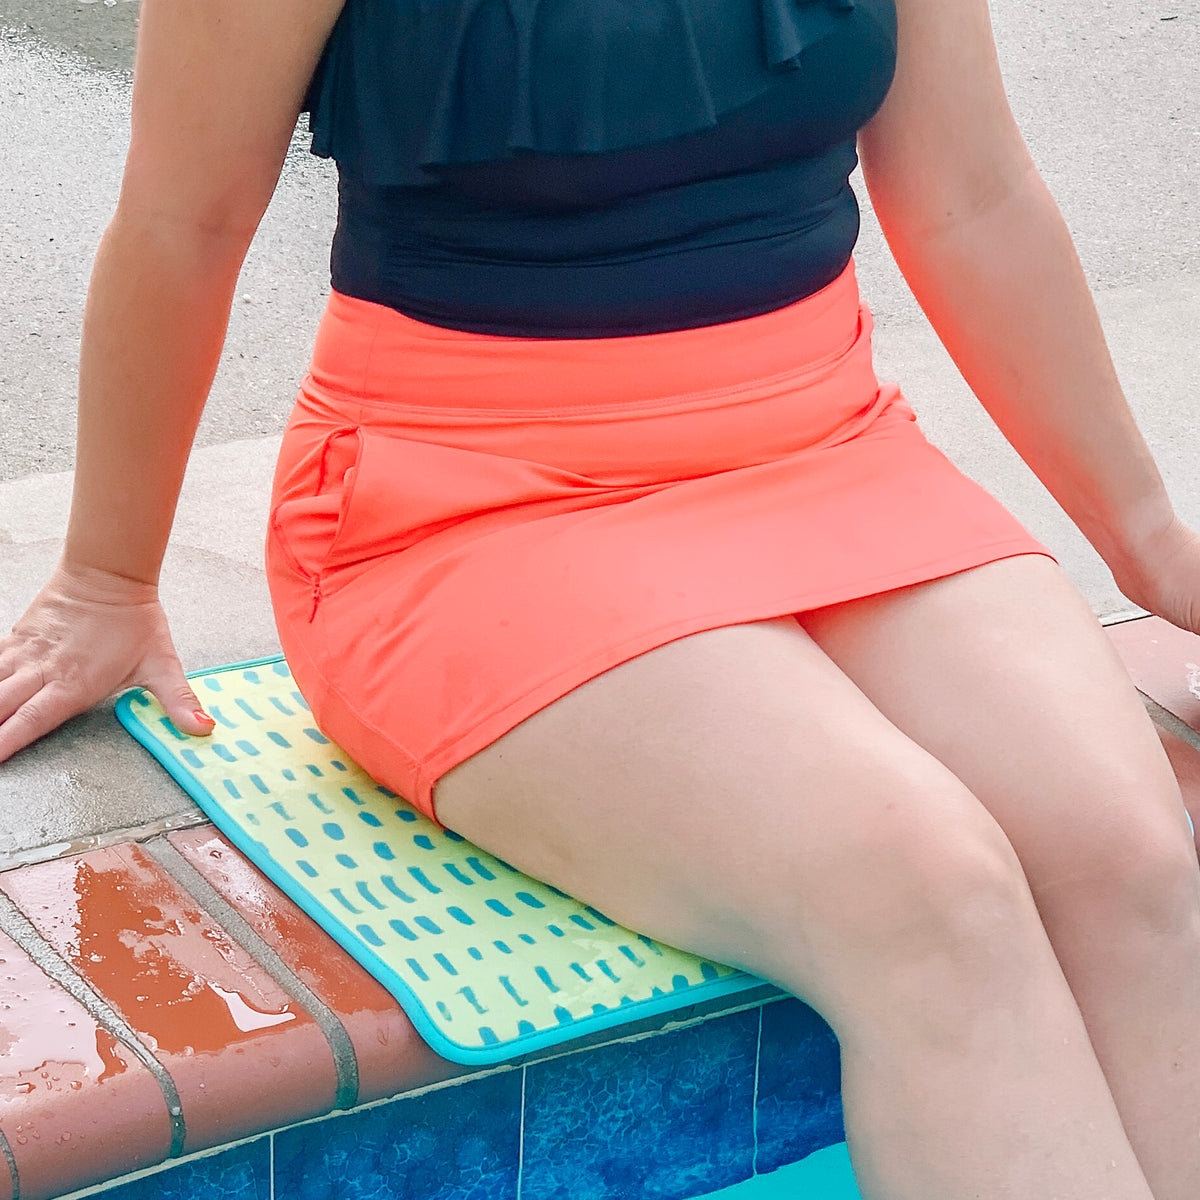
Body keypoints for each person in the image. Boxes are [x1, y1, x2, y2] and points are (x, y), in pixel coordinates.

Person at [2, 0, 1199, 1195]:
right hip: (462, 498)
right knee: (932, 896)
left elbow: (974, 196)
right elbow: (182, 219)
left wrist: (1149, 542)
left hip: (824, 449)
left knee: (1133, 863)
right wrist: (108, 577)